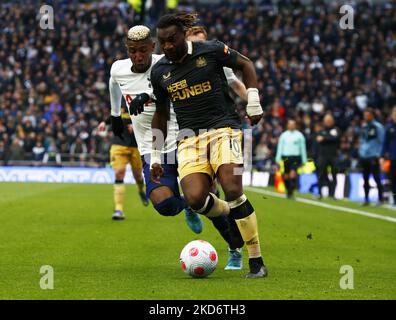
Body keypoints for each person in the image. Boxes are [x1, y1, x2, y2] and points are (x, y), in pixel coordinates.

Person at [109, 25, 245, 270]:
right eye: (132, 51)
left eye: (142, 50)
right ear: (127, 50)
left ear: (152, 47)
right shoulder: (118, 69)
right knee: (164, 204)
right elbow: (112, 84)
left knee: (208, 202)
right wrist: (114, 114)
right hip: (152, 150)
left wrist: (148, 96)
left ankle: (235, 250)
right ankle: (188, 205)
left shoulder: (168, 63)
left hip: (184, 141)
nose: (138, 56)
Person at [148, 13, 267, 278]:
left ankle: (257, 262)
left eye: (172, 40)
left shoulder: (210, 50)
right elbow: (161, 114)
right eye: (162, 42)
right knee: (195, 199)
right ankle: (234, 213)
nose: (167, 46)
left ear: (183, 34)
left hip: (224, 128)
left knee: (233, 188)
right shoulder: (160, 72)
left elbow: (246, 65)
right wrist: (156, 154)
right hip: (188, 137)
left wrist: (254, 100)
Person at [98, 107, 149, 220]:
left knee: (138, 176)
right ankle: (118, 210)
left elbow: (150, 119)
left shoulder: (141, 98)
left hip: (136, 146)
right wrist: (104, 122)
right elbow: (114, 113)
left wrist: (137, 127)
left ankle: (141, 190)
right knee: (119, 173)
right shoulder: (120, 98)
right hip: (118, 144)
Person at [358, 108, 385, 206]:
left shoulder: (378, 127)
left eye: (367, 115)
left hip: (374, 156)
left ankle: (381, 199)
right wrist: (360, 152)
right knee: (365, 178)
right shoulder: (364, 126)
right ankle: (366, 199)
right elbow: (362, 140)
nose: (365, 117)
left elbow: (382, 141)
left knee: (376, 177)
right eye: (365, 115)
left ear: (372, 115)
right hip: (364, 156)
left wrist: (380, 155)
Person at [275, 119, 307, 199]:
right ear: (288, 125)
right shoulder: (284, 135)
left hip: (295, 157)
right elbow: (280, 147)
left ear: (295, 125)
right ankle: (288, 190)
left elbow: (303, 148)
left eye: (293, 124)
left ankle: (291, 192)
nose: (291, 125)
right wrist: (277, 159)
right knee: (286, 175)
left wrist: (304, 159)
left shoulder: (299, 136)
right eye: (290, 124)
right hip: (285, 157)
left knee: (293, 174)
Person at [316, 114, 341, 199]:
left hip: (334, 156)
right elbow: (318, 140)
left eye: (329, 121)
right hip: (323, 155)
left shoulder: (336, 130)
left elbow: (335, 138)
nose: (328, 122)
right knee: (321, 175)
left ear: (332, 121)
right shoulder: (321, 130)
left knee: (334, 175)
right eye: (326, 121)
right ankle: (319, 193)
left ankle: (332, 194)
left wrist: (325, 138)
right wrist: (329, 138)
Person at [381, 106, 396, 206]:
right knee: (393, 179)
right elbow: (385, 143)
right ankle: (394, 199)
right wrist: (382, 156)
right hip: (393, 157)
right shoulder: (389, 128)